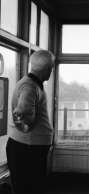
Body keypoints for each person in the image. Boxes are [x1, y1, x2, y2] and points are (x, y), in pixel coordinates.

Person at [6, 50, 55, 194]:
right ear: (45, 69)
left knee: (29, 187)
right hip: (27, 149)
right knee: (29, 188)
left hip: (28, 147)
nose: (51, 71)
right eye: (51, 67)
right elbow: (24, 117)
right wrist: (23, 118)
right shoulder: (29, 87)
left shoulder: (32, 84)